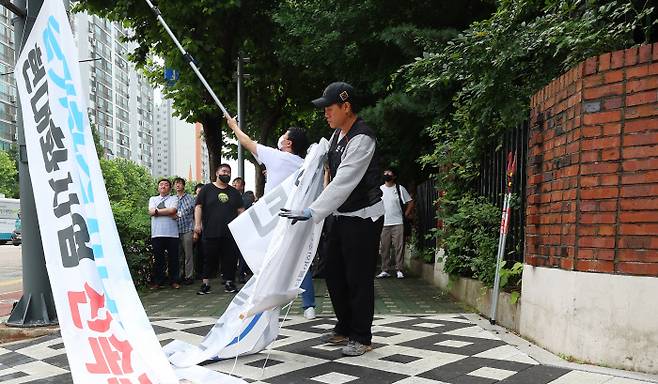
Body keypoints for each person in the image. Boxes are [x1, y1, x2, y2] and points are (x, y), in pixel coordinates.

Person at [279, 82, 384, 356]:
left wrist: (313, 211)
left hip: (363, 217)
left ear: (346, 107)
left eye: (329, 108)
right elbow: (319, 171)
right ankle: (344, 327)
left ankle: (361, 336)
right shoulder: (337, 135)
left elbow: (343, 182)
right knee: (334, 273)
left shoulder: (362, 138)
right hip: (339, 216)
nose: (325, 113)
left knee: (358, 278)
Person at [225, 115, 316, 319]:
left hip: (273, 220)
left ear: (288, 143)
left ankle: (264, 304)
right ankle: (308, 305)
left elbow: (246, 142)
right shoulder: (304, 165)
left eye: (284, 136)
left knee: (267, 260)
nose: (281, 138)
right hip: (296, 218)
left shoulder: (277, 157)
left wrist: (233, 126)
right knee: (299, 260)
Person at [195, 164, 245, 295]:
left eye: (228, 172)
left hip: (230, 232)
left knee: (230, 258)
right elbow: (198, 207)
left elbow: (241, 210)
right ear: (217, 173)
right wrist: (197, 224)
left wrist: (239, 225)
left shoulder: (234, 192)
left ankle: (229, 282)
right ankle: (205, 284)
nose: (226, 174)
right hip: (211, 230)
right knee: (208, 258)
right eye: (223, 171)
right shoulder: (207, 189)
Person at [376, 168, 413, 279]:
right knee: (384, 248)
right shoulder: (379, 189)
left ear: (394, 176)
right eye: (385, 172)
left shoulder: (399, 188)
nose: (386, 174)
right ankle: (385, 269)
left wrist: (405, 214)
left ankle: (399, 269)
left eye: (389, 173)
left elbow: (410, 202)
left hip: (398, 222)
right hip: (384, 223)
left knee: (399, 247)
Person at [148, 178, 180, 289]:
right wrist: (166, 212)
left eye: (166, 185)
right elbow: (151, 212)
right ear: (158, 187)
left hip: (172, 234)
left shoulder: (174, 198)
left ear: (170, 188)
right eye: (161, 184)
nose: (163, 186)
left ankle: (174, 281)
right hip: (157, 233)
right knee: (158, 259)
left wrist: (157, 211)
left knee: (173, 259)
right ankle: (158, 281)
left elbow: (173, 210)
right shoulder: (153, 199)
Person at [174, 177, 196, 285]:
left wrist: (196, 229)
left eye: (179, 183)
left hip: (187, 229)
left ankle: (189, 276)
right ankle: (179, 275)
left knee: (188, 254)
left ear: (183, 186)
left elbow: (195, 213)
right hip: (174, 230)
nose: (177, 185)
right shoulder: (172, 199)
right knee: (178, 255)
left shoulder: (191, 198)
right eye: (176, 184)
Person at [232, 176, 253, 283]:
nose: (234, 185)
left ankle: (241, 274)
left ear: (242, 186)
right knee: (231, 252)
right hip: (231, 228)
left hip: (243, 229)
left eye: (237, 183)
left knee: (242, 253)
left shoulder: (247, 198)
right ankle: (229, 276)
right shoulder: (229, 196)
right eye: (233, 183)